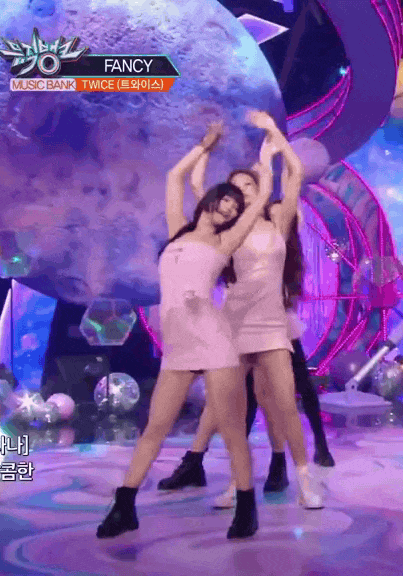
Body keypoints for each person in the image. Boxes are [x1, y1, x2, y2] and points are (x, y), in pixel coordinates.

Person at [97, 118, 272, 540]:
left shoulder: (224, 243)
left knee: (231, 428)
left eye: (235, 208)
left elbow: (261, 199)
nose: (229, 209)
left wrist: (267, 158)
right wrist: (205, 146)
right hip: (177, 345)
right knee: (155, 428)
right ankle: (124, 506)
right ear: (210, 198)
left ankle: (246, 507)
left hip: (213, 340)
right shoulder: (179, 230)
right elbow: (175, 177)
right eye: (225, 200)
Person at [157, 111, 323, 510]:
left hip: (271, 324)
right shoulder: (229, 229)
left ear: (259, 187)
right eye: (237, 187)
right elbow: (195, 185)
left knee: (285, 403)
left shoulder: (279, 220)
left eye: (249, 184)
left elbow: (296, 173)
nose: (243, 191)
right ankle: (236, 483)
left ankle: (305, 482)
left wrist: (273, 132)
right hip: (232, 323)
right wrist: (207, 146)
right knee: (229, 407)